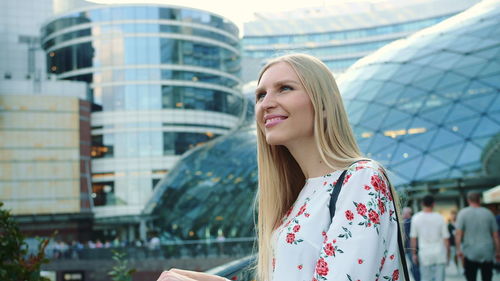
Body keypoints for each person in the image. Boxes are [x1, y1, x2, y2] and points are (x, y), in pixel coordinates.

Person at [156, 54, 404, 281]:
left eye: (285, 88)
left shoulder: (360, 179)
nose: (266, 103)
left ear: (325, 105)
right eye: (260, 95)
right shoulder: (299, 196)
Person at [455, 192, 500, 281]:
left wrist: (458, 250)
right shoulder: (488, 213)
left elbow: (458, 234)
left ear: (468, 200)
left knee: (471, 277)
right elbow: (495, 235)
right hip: (487, 251)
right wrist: (498, 251)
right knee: (487, 277)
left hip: (470, 252)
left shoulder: (463, 213)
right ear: (480, 200)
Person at [410, 195, 449, 281]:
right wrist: (448, 254)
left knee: (425, 278)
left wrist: (414, 254)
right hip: (440, 253)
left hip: (424, 254)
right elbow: (446, 239)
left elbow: (413, 238)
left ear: (422, 204)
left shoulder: (416, 218)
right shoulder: (440, 217)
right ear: (433, 204)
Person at [403, 207, 420, 281]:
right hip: (414, 248)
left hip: (411, 249)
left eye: (403, 213)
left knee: (414, 268)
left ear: (407, 214)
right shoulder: (413, 221)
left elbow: (406, 237)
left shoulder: (407, 222)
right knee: (414, 267)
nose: (402, 215)